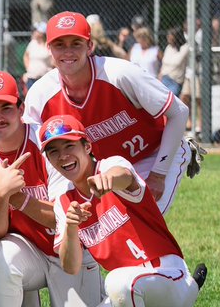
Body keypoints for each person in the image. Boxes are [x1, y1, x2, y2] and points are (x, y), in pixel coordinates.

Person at [40, 114, 201, 307]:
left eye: (69, 146)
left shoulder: (111, 165)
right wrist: (71, 227)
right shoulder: (64, 202)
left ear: (87, 146)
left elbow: (124, 177)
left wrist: (107, 181)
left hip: (169, 279)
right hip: (125, 297)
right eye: (53, 151)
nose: (62, 156)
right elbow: (70, 266)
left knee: (117, 280)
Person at [0, 72, 101, 307]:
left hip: (71, 254)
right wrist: (2, 195)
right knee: (0, 254)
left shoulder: (49, 142)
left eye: (6, 108)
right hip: (29, 253)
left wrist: (17, 198)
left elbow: (62, 217)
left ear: (20, 107)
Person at [23, 11, 192, 214]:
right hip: (107, 167)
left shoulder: (119, 74)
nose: (68, 52)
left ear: (90, 46)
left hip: (155, 153)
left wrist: (159, 174)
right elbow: (27, 142)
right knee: (98, 230)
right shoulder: (41, 95)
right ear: (49, 49)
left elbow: (179, 112)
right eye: (60, 45)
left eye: (76, 43)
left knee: (142, 220)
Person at [21, 22, 52, 91]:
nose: (34, 32)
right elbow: (26, 56)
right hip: (32, 78)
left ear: (43, 33)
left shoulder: (49, 45)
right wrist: (28, 70)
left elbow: (54, 62)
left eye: (36, 30)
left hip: (46, 79)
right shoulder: (32, 43)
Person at [158, 29, 189, 98]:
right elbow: (164, 64)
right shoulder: (168, 47)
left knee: (171, 102)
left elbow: (177, 62)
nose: (168, 37)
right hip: (164, 78)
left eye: (170, 36)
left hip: (175, 81)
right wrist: (160, 76)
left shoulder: (185, 48)